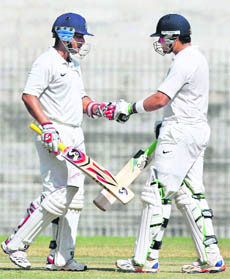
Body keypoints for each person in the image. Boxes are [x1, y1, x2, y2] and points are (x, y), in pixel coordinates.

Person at [1, 12, 115, 271]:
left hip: (75, 131)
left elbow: (81, 99)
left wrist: (99, 108)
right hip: (55, 132)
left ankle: (62, 257)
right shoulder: (46, 61)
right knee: (58, 193)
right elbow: (29, 96)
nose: (82, 41)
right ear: (64, 35)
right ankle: (16, 243)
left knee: (74, 195)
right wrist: (47, 126)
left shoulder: (73, 64)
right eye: (78, 36)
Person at [113, 14, 225, 274]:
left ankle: (144, 260)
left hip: (179, 135)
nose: (160, 42)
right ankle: (211, 258)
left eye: (162, 37)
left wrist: (129, 108)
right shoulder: (197, 57)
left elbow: (160, 99)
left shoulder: (184, 61)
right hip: (195, 131)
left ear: (173, 36)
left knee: (156, 194)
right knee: (190, 195)